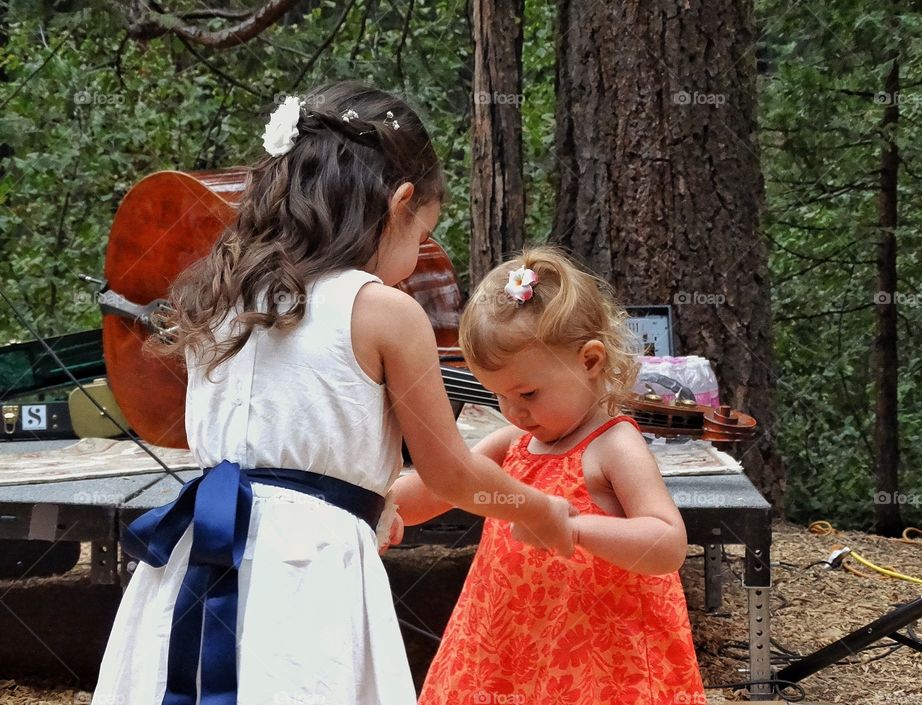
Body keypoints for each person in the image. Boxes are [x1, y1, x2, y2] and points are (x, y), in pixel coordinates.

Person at [91, 82, 576, 705]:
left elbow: (273, 456)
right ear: (401, 203)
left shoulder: (216, 295)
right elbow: (453, 472)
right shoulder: (385, 311)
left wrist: (369, 502)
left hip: (198, 555)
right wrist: (538, 510)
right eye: (423, 233)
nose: (415, 260)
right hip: (307, 575)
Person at [392, 247, 706, 705]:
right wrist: (380, 505)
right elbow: (440, 485)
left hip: (596, 661)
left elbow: (667, 542)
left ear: (591, 360)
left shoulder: (614, 446)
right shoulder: (510, 445)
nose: (515, 412)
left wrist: (575, 528)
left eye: (528, 393)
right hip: (508, 649)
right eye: (499, 397)